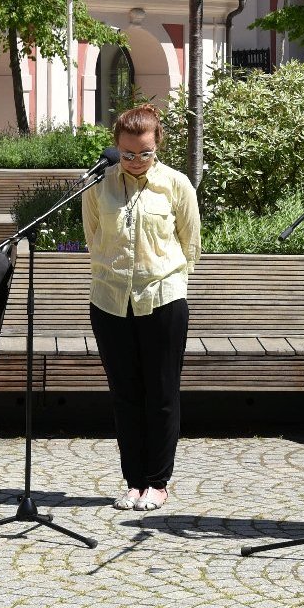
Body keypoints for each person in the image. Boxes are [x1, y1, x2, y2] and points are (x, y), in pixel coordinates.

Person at [81, 105, 200, 513]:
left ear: (158, 146)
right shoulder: (99, 186)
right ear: (116, 147)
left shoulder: (176, 185)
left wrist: (164, 278)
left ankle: (157, 481)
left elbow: (190, 244)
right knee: (125, 394)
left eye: (145, 153)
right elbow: (93, 239)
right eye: (128, 153)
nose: (135, 162)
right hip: (110, 301)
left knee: (162, 393)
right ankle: (133, 481)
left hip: (163, 299)